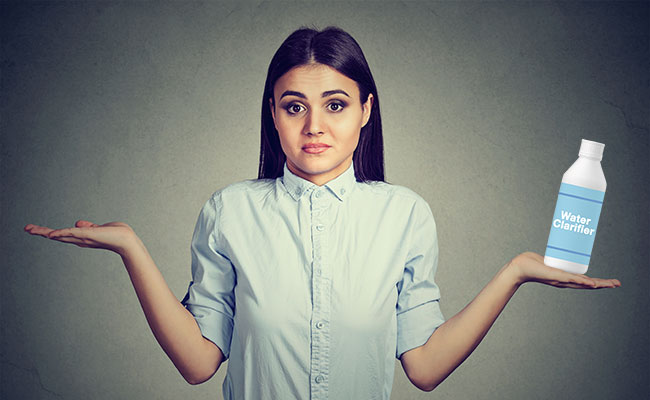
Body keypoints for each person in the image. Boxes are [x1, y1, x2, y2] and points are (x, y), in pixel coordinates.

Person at [24, 26, 620, 400]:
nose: (314, 126)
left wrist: (514, 271)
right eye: (293, 107)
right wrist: (132, 248)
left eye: (335, 104)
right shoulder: (228, 212)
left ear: (365, 110)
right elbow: (199, 363)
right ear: (273, 114)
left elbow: (425, 367)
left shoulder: (405, 215)